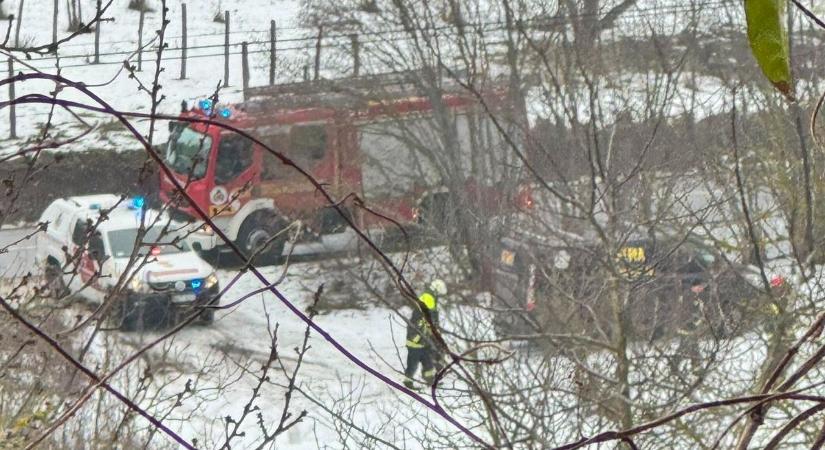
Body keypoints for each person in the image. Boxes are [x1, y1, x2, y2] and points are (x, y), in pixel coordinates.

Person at [404, 279, 447, 389]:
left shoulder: (431, 297)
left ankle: (430, 380)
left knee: (428, 362)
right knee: (413, 363)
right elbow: (429, 317)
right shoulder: (428, 297)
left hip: (424, 338)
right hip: (416, 339)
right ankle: (408, 382)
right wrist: (434, 329)